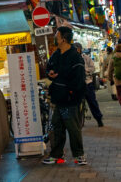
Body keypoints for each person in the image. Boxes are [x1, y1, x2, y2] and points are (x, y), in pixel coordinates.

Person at [42, 26, 87, 166]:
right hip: (58, 99)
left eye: (57, 35)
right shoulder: (56, 54)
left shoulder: (75, 56)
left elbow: (79, 79)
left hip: (70, 100)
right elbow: (49, 68)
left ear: (64, 38)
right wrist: (50, 73)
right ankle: (56, 155)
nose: (55, 37)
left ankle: (79, 155)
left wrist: (72, 93)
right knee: (57, 127)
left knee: (73, 128)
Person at [74, 44, 104, 127]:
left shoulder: (86, 57)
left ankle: (99, 119)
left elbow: (92, 68)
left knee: (92, 101)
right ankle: (77, 120)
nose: (76, 50)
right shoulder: (71, 59)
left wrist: (86, 70)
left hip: (87, 82)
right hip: (77, 84)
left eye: (77, 49)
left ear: (80, 49)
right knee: (75, 103)